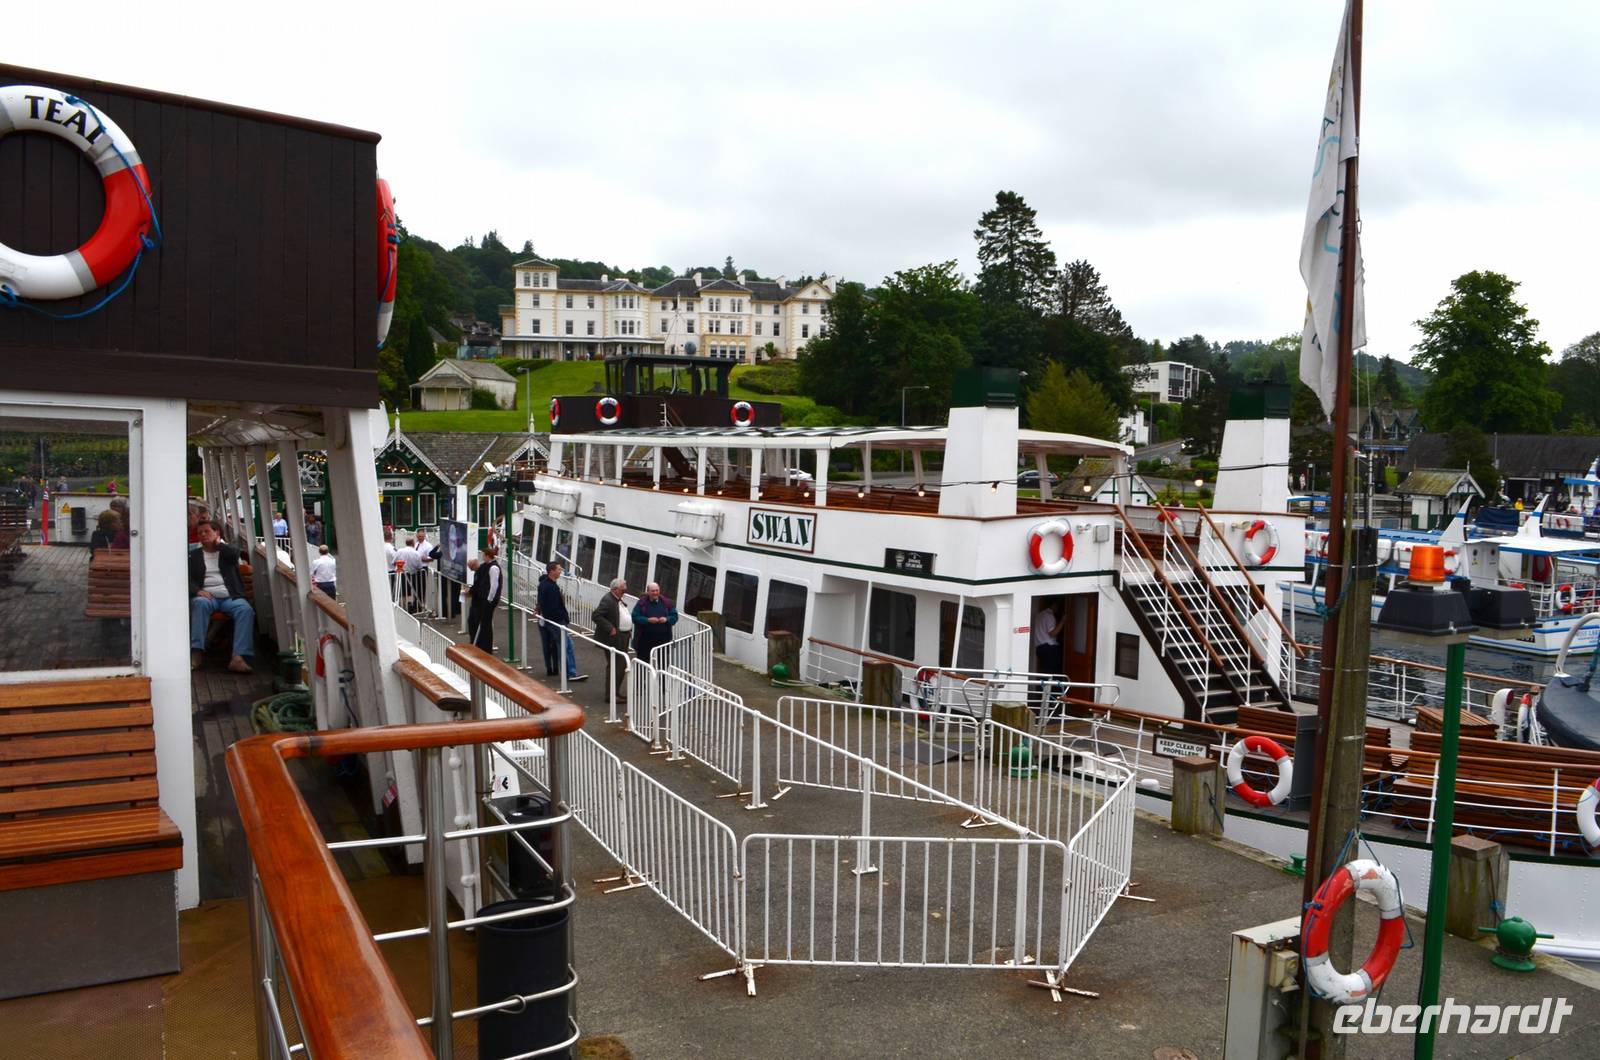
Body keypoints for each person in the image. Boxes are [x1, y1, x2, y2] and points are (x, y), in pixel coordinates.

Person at [189, 517, 254, 674]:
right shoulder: (194, 555)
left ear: (217, 533)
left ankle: (238, 657)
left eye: (207, 531)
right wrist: (197, 591)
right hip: (207, 597)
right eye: (200, 532)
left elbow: (234, 556)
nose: (203, 535)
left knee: (245, 610)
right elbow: (187, 577)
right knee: (199, 604)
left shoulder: (227, 552)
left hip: (230, 597)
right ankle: (196, 652)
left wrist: (219, 545)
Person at [535, 561, 585, 681]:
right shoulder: (551, 587)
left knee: (562, 645)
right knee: (566, 646)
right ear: (552, 571)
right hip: (556, 622)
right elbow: (552, 607)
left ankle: (566, 671)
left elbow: (542, 602)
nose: (560, 571)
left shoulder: (544, 585)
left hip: (551, 621)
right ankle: (570, 673)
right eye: (558, 569)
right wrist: (563, 618)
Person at [591, 577, 631, 704]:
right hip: (614, 639)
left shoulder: (617, 599)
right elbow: (596, 615)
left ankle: (615, 693)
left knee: (621, 666)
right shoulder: (608, 600)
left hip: (622, 637)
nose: (625, 590)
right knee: (616, 666)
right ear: (615, 589)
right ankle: (611, 695)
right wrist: (610, 628)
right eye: (623, 588)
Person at [467, 546, 503, 653]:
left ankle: (486, 648)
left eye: (483, 555)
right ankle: (480, 645)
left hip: (488, 600)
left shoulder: (493, 568)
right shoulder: (486, 566)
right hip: (484, 599)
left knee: (486, 624)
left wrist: (489, 600)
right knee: (482, 622)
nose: (482, 557)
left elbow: (494, 586)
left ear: (487, 556)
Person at [631, 581, 678, 663]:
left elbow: (674, 617)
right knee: (643, 662)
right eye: (653, 591)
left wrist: (666, 619)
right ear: (648, 592)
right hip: (644, 639)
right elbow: (635, 617)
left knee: (663, 662)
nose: (655, 593)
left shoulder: (667, 602)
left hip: (663, 639)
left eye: (657, 590)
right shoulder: (641, 603)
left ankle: (661, 672)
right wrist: (647, 620)